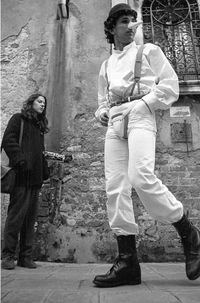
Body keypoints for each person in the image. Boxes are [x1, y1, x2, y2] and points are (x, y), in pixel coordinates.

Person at [93, 3, 200, 287]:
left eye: (133, 21)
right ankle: (128, 261)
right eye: (125, 21)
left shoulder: (149, 51)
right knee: (115, 188)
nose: (131, 26)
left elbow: (170, 86)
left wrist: (143, 105)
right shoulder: (105, 65)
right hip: (115, 125)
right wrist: (102, 112)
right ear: (112, 27)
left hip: (141, 117)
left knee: (141, 176)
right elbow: (102, 102)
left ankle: (188, 231)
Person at [1, 93, 50, 270]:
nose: (42, 104)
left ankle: (25, 257)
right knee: (15, 218)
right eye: (39, 101)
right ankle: (7, 255)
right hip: (21, 177)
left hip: (35, 180)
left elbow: (40, 151)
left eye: (44, 102)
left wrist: (44, 169)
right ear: (31, 103)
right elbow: (8, 140)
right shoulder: (18, 119)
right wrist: (20, 160)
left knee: (30, 220)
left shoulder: (38, 126)